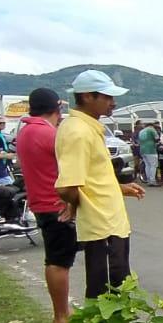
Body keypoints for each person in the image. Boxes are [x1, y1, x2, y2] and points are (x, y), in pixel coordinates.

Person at [55, 69, 144, 300]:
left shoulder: (89, 128)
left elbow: (91, 178)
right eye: (107, 97)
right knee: (106, 289)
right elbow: (67, 186)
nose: (112, 103)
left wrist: (121, 188)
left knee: (118, 283)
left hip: (110, 222)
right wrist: (75, 204)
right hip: (101, 225)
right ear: (87, 96)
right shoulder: (78, 131)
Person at [16, 88, 76, 323]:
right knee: (59, 261)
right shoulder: (46, 133)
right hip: (56, 203)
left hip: (41, 201)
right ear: (57, 108)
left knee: (56, 258)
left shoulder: (26, 131)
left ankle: (62, 313)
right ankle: (61, 318)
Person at [139, 121, 160, 186]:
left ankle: (148, 180)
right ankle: (152, 181)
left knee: (147, 165)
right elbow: (157, 138)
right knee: (153, 165)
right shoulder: (151, 129)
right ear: (152, 125)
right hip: (151, 150)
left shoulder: (141, 131)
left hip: (142, 150)